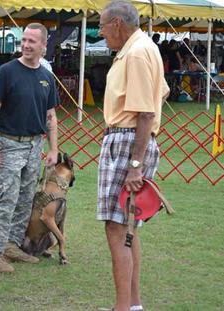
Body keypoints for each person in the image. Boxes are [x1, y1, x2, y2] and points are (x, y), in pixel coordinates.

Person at [97, 2, 169, 311]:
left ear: (116, 24)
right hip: (131, 139)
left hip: (127, 142)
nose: (101, 33)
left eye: (102, 27)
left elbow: (145, 112)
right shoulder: (141, 47)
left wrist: (135, 165)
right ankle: (133, 305)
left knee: (117, 228)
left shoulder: (137, 52)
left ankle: (123, 308)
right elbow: (161, 91)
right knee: (127, 228)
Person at [0, 22, 59, 273]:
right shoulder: (6, 72)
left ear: (44, 46)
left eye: (32, 41)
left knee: (25, 200)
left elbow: (51, 116)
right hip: (8, 144)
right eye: (23, 40)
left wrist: (54, 149)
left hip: (34, 146)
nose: (25, 45)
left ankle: (12, 245)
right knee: (6, 199)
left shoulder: (47, 77)